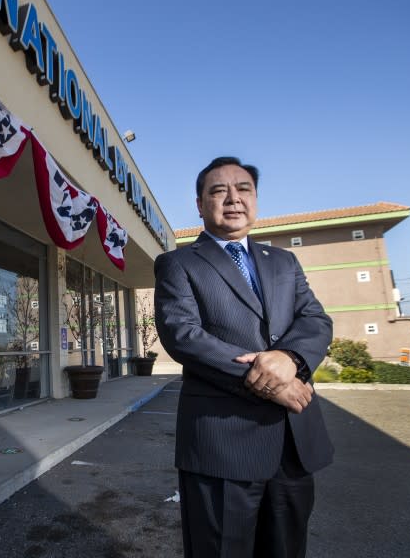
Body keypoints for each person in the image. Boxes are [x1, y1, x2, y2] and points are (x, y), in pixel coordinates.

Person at [154, 156, 334, 557]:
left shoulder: (283, 261)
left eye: (243, 189)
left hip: (293, 440)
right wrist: (271, 385)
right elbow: (183, 335)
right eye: (218, 191)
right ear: (200, 205)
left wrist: (290, 359)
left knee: (287, 548)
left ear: (255, 200)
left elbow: (315, 319)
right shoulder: (178, 264)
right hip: (223, 445)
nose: (232, 198)